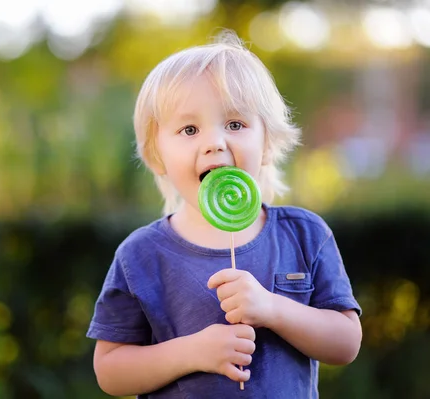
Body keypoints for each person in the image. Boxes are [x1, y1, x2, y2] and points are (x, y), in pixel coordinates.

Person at [86, 30, 362, 399]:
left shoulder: (304, 235)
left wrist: (271, 308)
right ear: (156, 154)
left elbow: (345, 343)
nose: (215, 142)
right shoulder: (141, 255)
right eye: (189, 129)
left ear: (267, 141)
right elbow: (110, 371)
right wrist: (192, 352)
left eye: (235, 124)